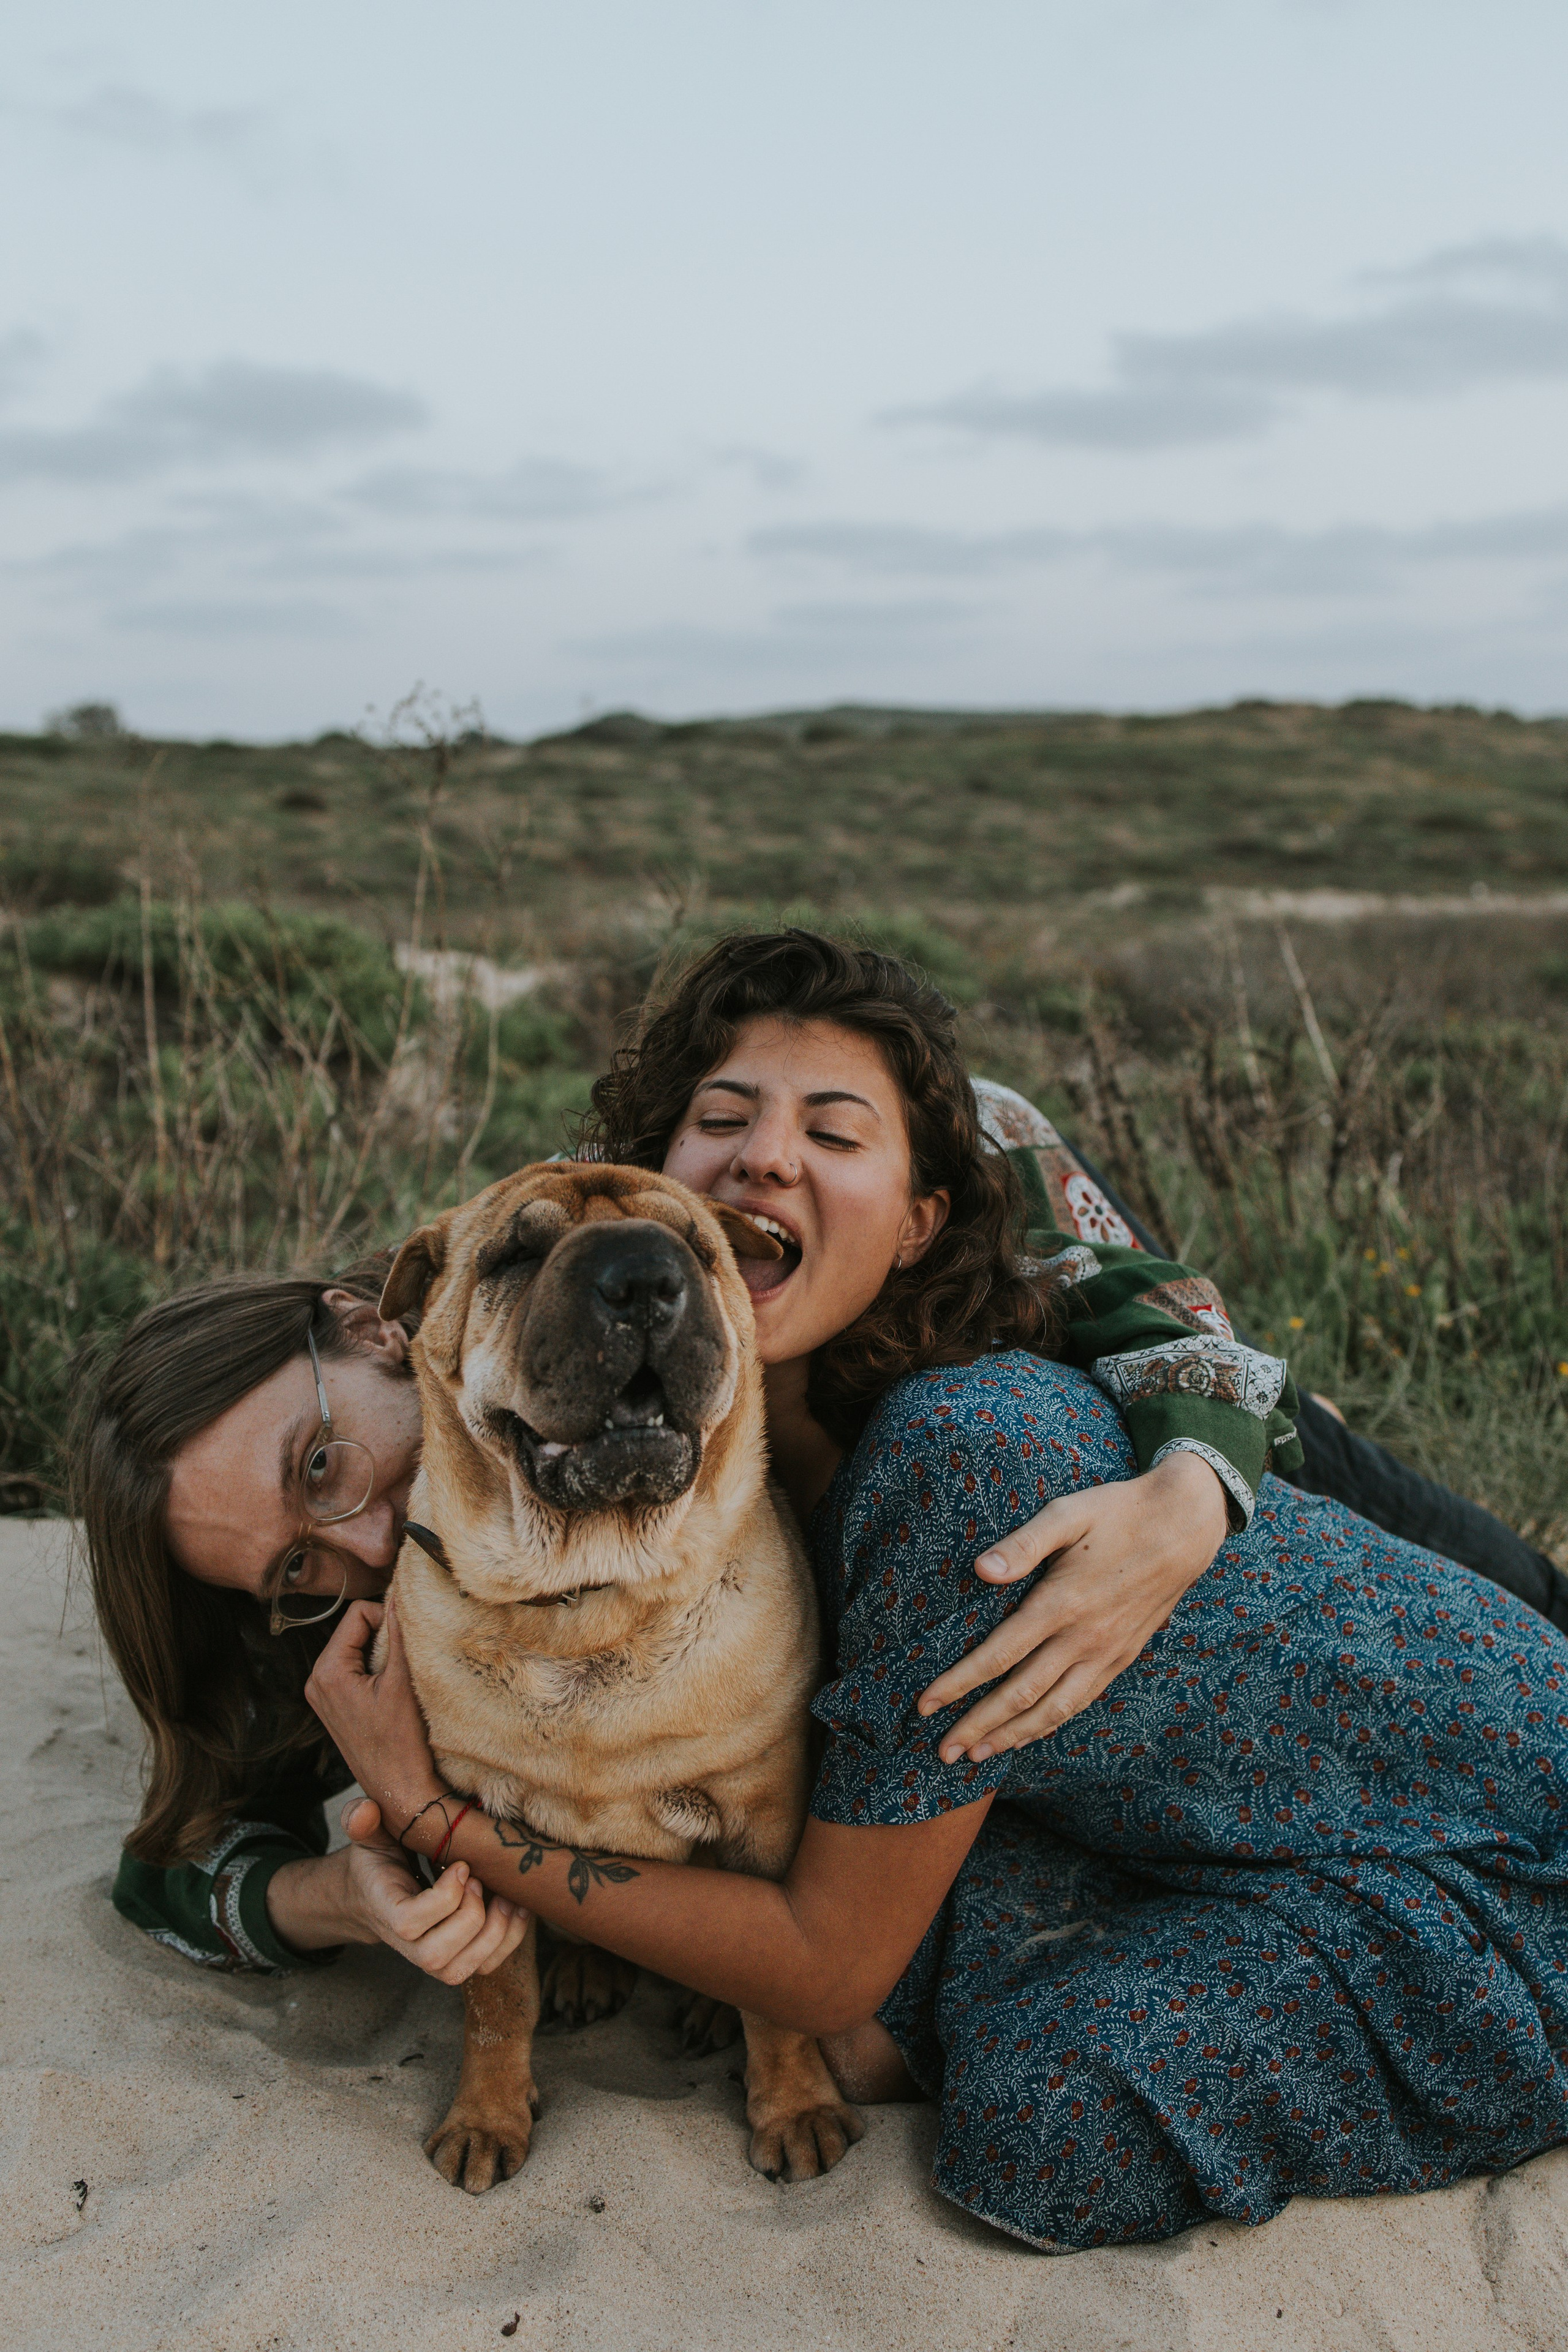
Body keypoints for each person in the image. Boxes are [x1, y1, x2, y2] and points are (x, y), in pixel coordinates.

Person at [303, 930, 1568, 2250]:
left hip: (1505, 1845)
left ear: (918, 1226)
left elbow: (822, 1965)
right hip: (1188, 1836)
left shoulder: (963, 1444)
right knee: (1002, 2084)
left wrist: (434, 1814)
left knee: (1011, 2127)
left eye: (833, 1135)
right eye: (717, 1120)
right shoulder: (729, 1483)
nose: (764, 1160)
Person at [79, 957, 1299, 1980]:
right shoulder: (354, 1625)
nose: (358, 1539)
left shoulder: (583, 1252)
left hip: (1180, 1445)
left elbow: (1135, 1299)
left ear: (372, 1324)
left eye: (324, 1459)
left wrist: (1196, 1485)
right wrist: (335, 1895)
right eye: (293, 1566)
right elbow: (166, 1858)